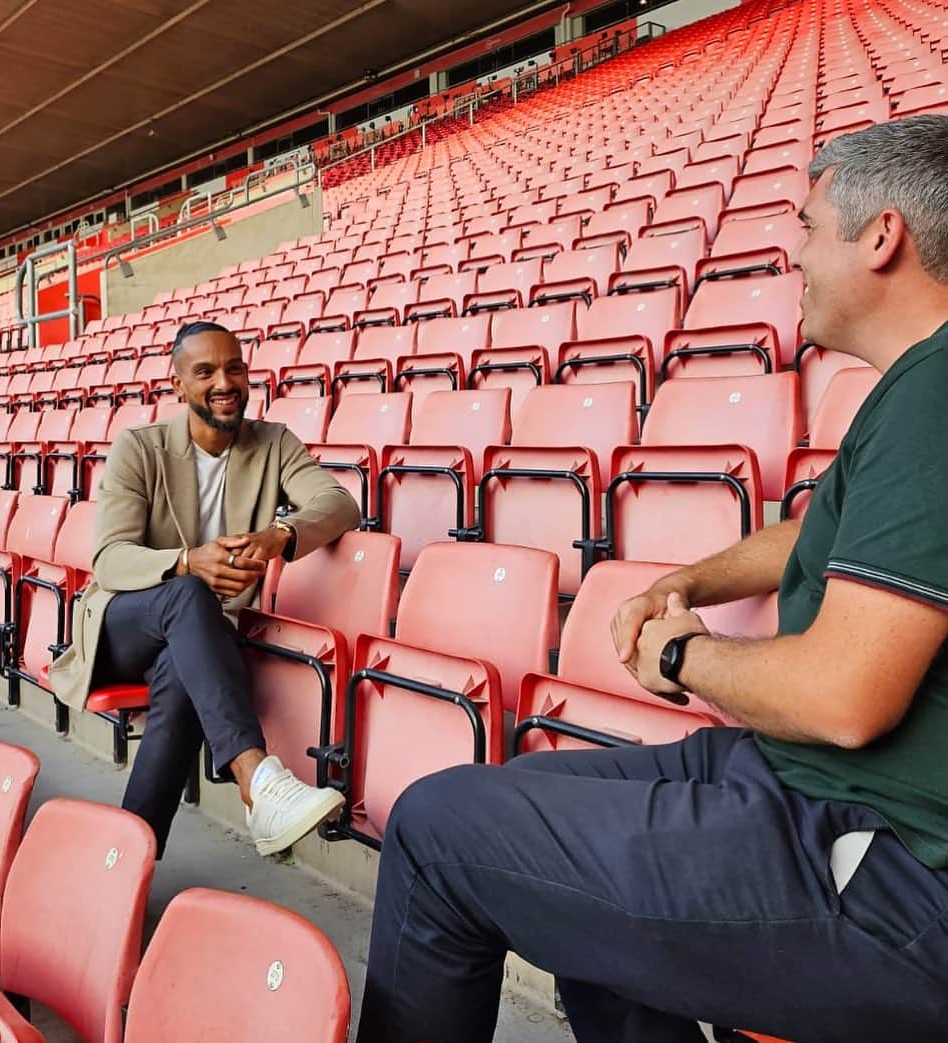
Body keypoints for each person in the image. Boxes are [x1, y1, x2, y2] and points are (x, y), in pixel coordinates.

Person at [355, 114, 948, 1043]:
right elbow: (816, 533)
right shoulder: (918, 389)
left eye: (805, 224)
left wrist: (681, 653)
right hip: (802, 779)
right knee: (558, 878)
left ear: (880, 237)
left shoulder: (937, 393)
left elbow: (844, 696)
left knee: (438, 830)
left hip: (896, 869)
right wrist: (689, 580)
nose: (792, 253)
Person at [49, 320, 361, 859]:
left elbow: (339, 503)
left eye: (234, 367)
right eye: (205, 371)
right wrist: (187, 562)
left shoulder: (273, 443)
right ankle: (255, 776)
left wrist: (280, 534)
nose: (224, 382)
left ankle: (127, 863)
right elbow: (110, 558)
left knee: (180, 679)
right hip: (124, 626)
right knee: (190, 595)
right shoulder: (139, 448)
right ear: (178, 386)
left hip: (199, 643)